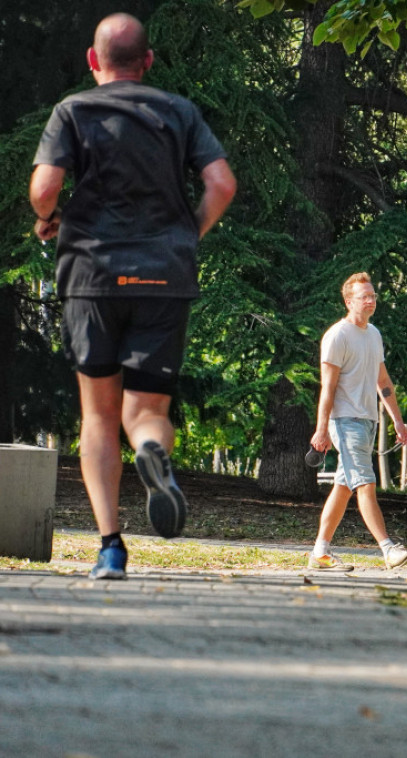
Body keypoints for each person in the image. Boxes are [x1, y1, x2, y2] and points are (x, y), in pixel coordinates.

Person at [29, 13, 237, 580]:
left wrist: (48, 219)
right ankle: (151, 449)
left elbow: (45, 186)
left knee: (97, 415)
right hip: (162, 274)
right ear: (148, 61)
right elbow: (221, 184)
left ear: (93, 61)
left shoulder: (73, 111)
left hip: (92, 274)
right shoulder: (178, 111)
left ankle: (111, 548)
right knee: (146, 410)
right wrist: (185, 235)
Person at [307, 272, 407, 571]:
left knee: (343, 487)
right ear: (348, 301)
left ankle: (320, 552)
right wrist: (321, 429)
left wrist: (398, 420)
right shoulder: (337, 335)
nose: (370, 301)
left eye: (373, 296)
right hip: (344, 421)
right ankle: (388, 549)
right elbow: (327, 388)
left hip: (368, 421)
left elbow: (383, 380)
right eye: (364, 296)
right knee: (366, 483)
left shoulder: (373, 334)